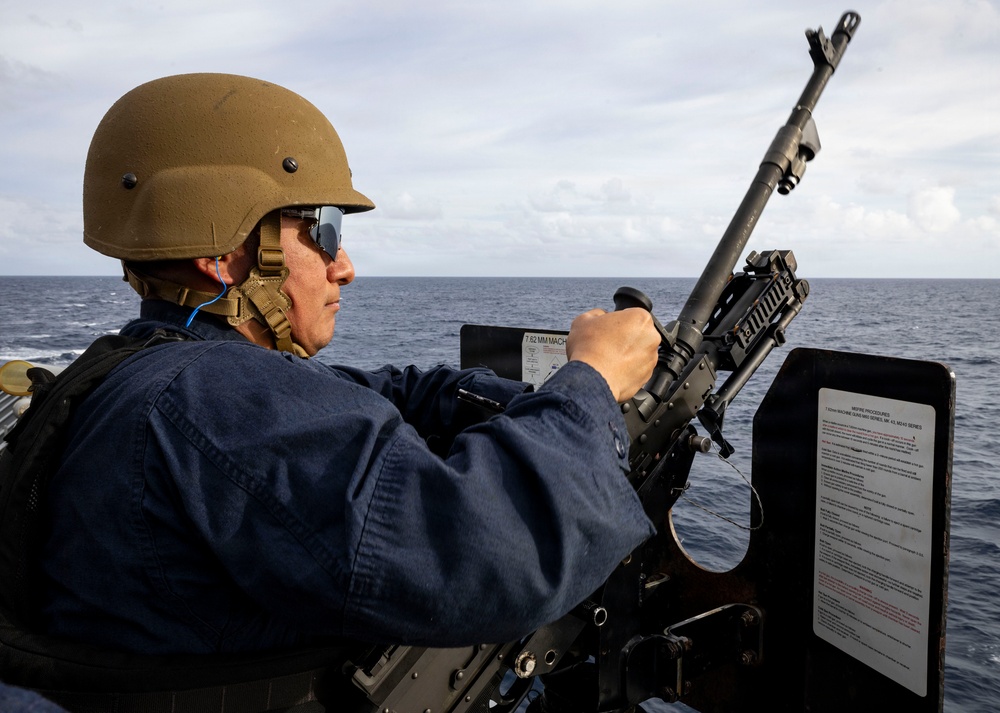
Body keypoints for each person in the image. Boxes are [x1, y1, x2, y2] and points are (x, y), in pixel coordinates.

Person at [27, 73, 660, 661]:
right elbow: (492, 555)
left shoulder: (144, 372)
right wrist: (594, 382)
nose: (345, 265)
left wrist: (534, 402)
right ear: (223, 253)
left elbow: (389, 390)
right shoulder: (210, 398)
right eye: (325, 229)